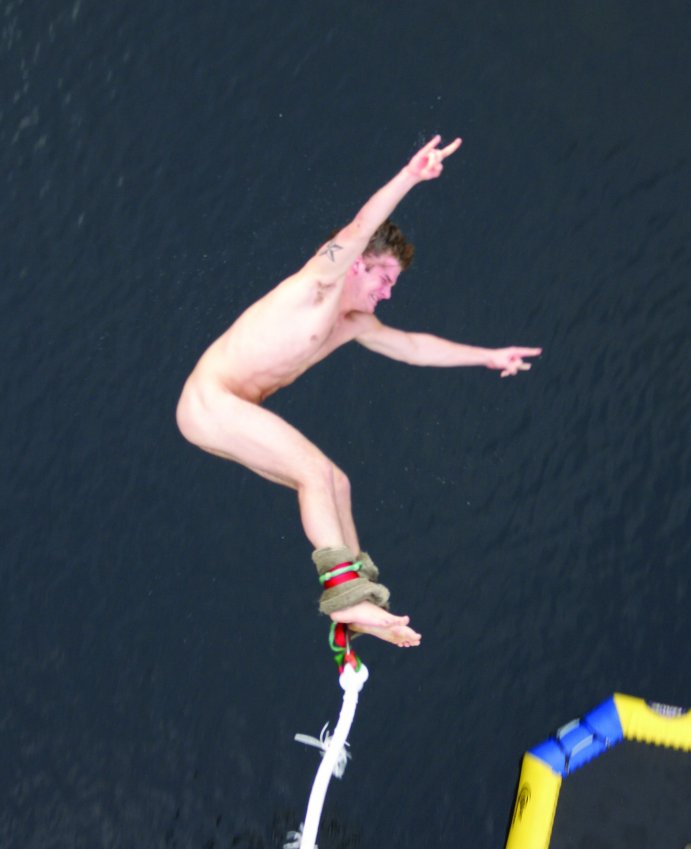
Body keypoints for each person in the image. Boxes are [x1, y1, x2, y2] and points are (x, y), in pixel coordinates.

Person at [176, 136, 541, 648]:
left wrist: (488, 356)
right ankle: (345, 597)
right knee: (314, 472)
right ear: (356, 264)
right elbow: (360, 226)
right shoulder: (319, 283)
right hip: (210, 401)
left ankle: (363, 604)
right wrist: (410, 176)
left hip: (227, 413)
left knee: (337, 484)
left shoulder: (354, 323)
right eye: (384, 278)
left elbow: (414, 348)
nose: (388, 293)